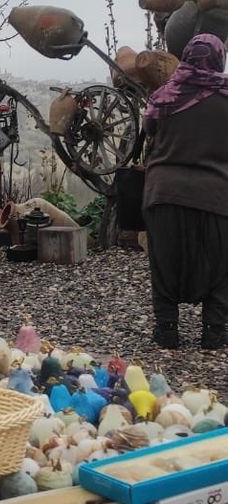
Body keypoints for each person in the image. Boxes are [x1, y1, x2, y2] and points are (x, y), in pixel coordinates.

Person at [143, 33, 228, 350]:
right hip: (217, 196)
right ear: (219, 58)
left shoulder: (164, 97)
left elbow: (149, 132)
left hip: (164, 193)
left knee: (164, 263)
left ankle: (167, 331)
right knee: (220, 265)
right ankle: (214, 331)